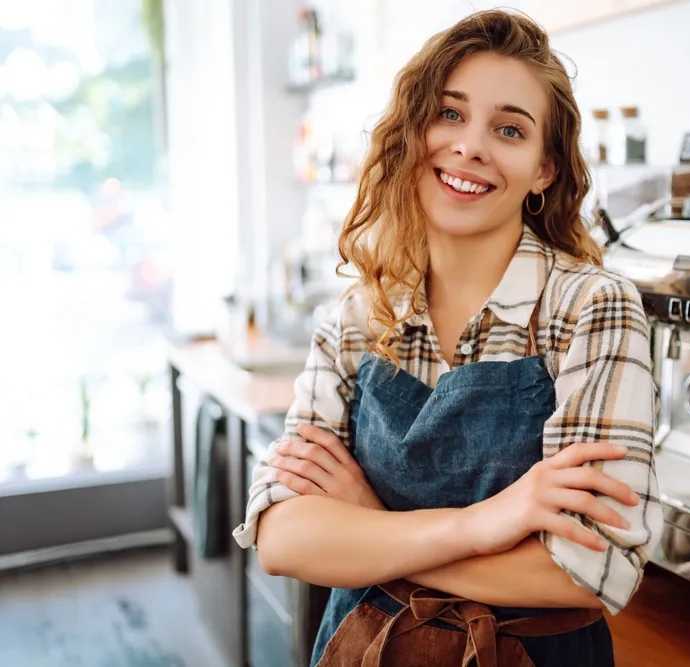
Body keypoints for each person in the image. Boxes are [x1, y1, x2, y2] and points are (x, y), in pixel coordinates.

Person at [232, 9, 662, 666]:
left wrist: (369, 528)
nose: (470, 146)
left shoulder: (592, 309)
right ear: (413, 132)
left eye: (509, 129)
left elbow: (588, 570)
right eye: (449, 114)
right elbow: (283, 537)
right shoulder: (357, 315)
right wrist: (485, 522)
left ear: (543, 168)